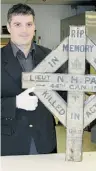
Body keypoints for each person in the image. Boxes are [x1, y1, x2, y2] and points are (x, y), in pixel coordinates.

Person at [1, 3, 57, 156]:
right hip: (9, 144)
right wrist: (14, 103)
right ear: (9, 27)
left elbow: (62, 91)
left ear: (34, 27)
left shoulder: (50, 57)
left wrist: (83, 103)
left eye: (29, 24)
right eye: (17, 24)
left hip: (44, 142)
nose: (24, 30)